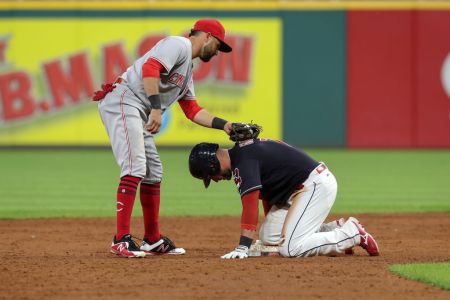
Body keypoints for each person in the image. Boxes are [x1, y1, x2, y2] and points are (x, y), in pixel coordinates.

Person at [93, 19, 234, 258]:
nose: (218, 52)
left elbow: (192, 110)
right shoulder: (178, 45)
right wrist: (156, 109)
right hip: (124, 100)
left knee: (153, 171)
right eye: (219, 45)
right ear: (208, 37)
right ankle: (121, 240)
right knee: (134, 165)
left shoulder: (187, 68)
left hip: (139, 107)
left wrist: (226, 125)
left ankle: (152, 239)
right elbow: (150, 68)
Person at [188, 139, 380, 259]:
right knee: (269, 237)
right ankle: (333, 228)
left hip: (315, 186)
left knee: (291, 249)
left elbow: (249, 205)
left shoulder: (243, 163)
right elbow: (267, 197)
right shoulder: (242, 154)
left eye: (210, 176)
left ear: (211, 165)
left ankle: (351, 234)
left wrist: (243, 247)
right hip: (297, 192)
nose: (215, 179)